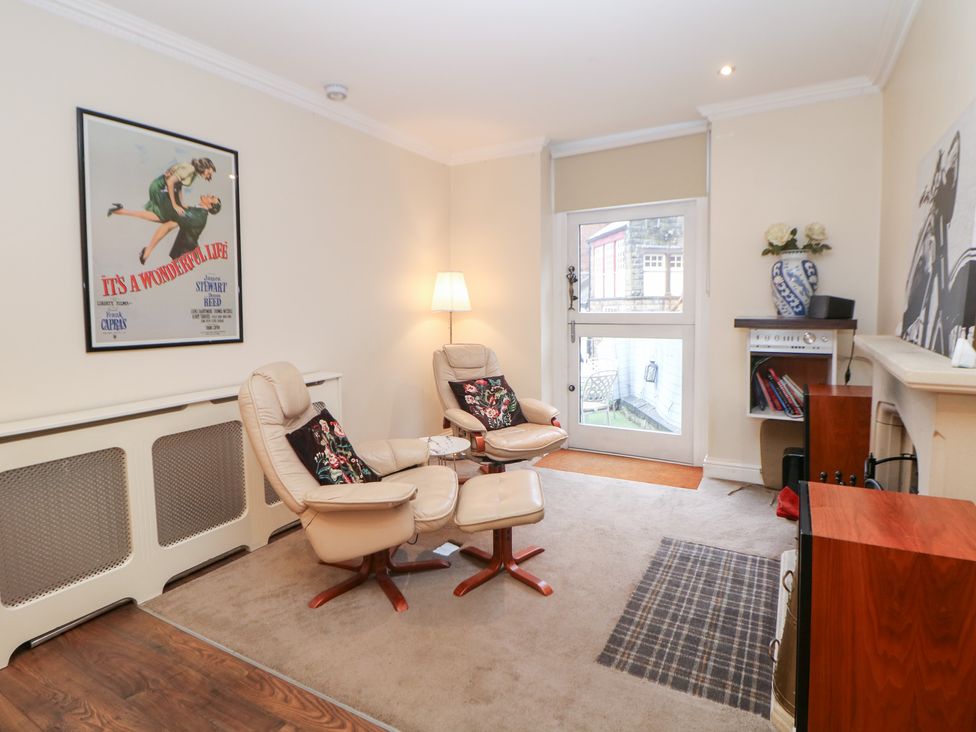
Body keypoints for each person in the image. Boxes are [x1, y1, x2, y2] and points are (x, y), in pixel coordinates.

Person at [108, 194, 221, 264]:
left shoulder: (198, 216)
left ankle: (146, 253)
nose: (209, 194)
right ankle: (120, 211)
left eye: (211, 197)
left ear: (210, 206)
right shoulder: (197, 210)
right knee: (169, 223)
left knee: (169, 221)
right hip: (182, 252)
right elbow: (178, 211)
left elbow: (172, 213)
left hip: (185, 255)